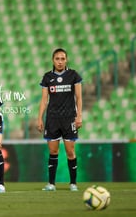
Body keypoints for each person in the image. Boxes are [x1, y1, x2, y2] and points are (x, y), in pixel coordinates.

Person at [37, 48, 83, 191]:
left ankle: (73, 183)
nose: (60, 61)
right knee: (53, 152)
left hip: (69, 118)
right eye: (57, 58)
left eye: (63, 58)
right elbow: (44, 100)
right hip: (52, 118)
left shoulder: (73, 75)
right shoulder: (47, 77)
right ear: (53, 60)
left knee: (70, 151)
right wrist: (39, 118)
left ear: (66, 60)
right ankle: (51, 184)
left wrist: (79, 115)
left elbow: (79, 97)